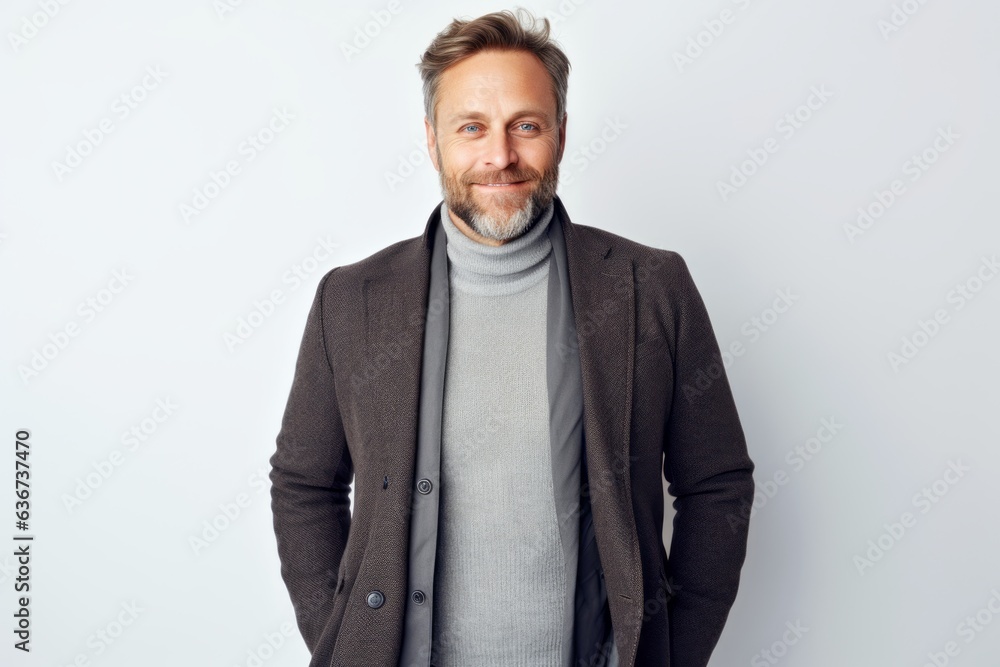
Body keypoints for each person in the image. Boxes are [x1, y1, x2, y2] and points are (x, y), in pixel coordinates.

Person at [268, 8, 754, 667]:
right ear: (433, 141)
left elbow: (716, 480)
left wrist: (673, 650)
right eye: (472, 127)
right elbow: (303, 481)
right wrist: (347, 638)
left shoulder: (651, 286)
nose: (500, 155)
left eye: (526, 125)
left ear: (559, 133)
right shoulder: (352, 299)